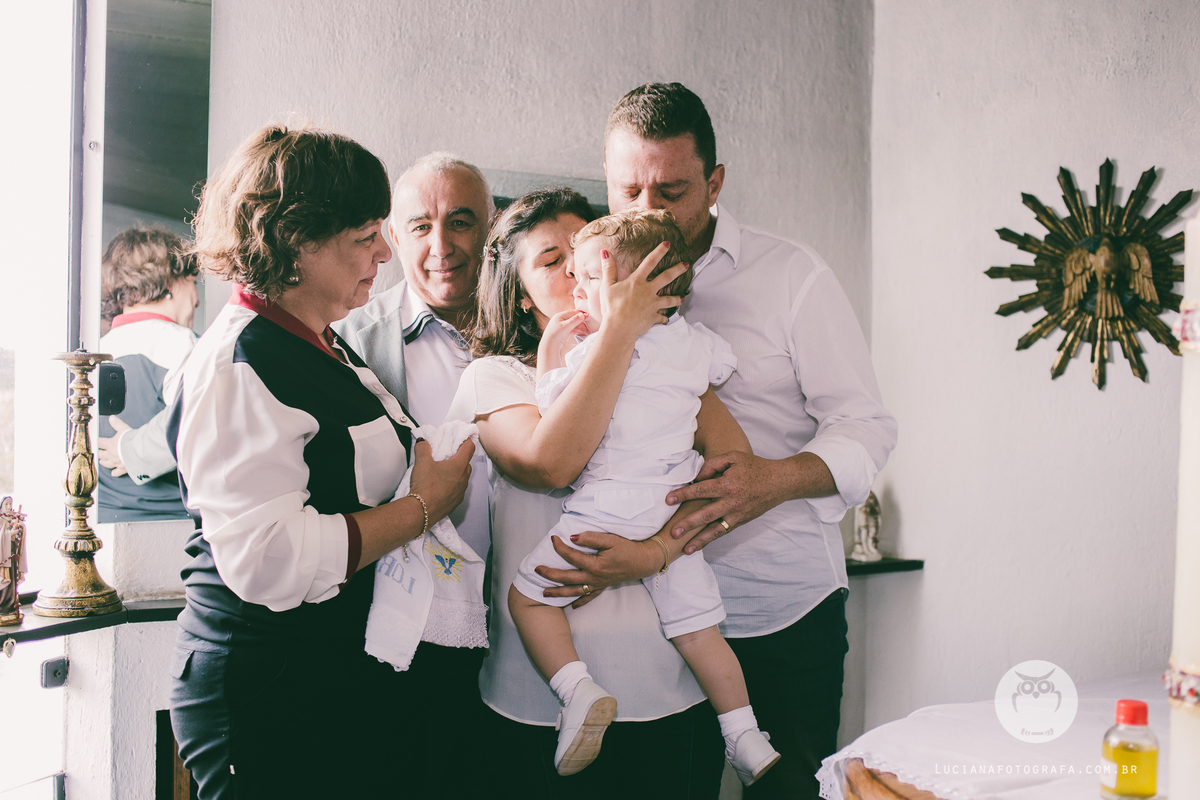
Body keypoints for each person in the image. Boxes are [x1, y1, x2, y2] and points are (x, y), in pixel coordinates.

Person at [543, 82, 898, 799]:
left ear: (715, 183)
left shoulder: (792, 276)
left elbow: (867, 426)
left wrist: (770, 481)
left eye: (670, 191)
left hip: (778, 609)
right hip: (642, 611)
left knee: (788, 789)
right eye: (627, 192)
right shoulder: (585, 283)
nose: (646, 214)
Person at [167, 124, 473, 800]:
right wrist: (424, 508)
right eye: (366, 239)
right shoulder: (239, 366)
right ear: (300, 241)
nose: (383, 256)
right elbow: (270, 558)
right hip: (265, 688)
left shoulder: (319, 343)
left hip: (322, 676)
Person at [447, 188, 753, 799]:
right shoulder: (497, 377)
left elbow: (733, 476)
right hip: (538, 704)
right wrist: (618, 331)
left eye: (585, 250)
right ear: (517, 287)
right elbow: (552, 463)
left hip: (668, 689)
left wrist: (656, 554)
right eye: (548, 259)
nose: (579, 270)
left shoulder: (665, 363)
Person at [508, 209, 779, 785]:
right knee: (700, 632)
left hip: (604, 511)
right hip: (672, 514)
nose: (576, 287)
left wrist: (552, 358)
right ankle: (745, 733)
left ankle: (577, 690)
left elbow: (557, 416)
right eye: (558, 268)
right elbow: (717, 371)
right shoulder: (697, 346)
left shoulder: (592, 356)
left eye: (585, 275)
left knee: (529, 599)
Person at [95, 227, 199, 522]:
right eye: (191, 282)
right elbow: (198, 426)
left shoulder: (97, 350)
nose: (196, 300)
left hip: (105, 521)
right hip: (173, 525)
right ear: (169, 283)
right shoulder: (182, 344)